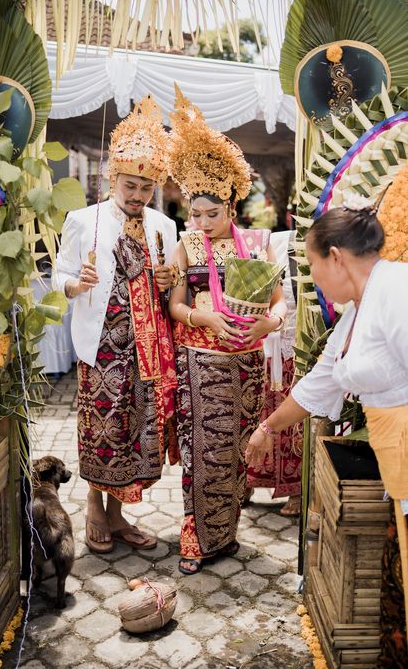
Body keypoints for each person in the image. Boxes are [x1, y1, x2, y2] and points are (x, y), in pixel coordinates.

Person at [245, 202, 408, 666]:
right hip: (397, 466)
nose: (315, 279)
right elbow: (320, 383)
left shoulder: (397, 291)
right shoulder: (359, 310)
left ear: (336, 256)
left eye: (314, 266)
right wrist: (267, 428)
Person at [168, 86, 287, 574]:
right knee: (204, 452)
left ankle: (227, 533)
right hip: (201, 363)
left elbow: (280, 303)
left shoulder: (257, 244)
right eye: (194, 214)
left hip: (248, 363)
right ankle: (196, 540)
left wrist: (267, 322)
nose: (200, 223)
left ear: (231, 207)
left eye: (210, 214)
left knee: (238, 449)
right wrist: (206, 318)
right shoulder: (185, 247)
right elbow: (175, 306)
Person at [53, 96, 178, 553]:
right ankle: (93, 506)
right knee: (102, 429)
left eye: (146, 188)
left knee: (137, 431)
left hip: (148, 347)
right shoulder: (83, 220)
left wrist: (169, 281)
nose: (137, 195)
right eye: (130, 185)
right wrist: (76, 284)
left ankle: (120, 516)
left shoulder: (165, 227)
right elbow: (60, 275)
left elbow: (172, 288)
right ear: (113, 177)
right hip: (102, 344)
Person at [246, 230, 302, 516]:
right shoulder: (272, 242)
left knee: (294, 422)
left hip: (299, 348)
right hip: (266, 346)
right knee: (257, 412)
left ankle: (296, 489)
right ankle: (248, 481)